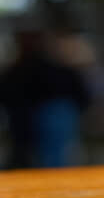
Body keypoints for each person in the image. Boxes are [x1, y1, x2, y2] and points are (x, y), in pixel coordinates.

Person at [0, 29, 91, 168]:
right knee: (52, 156)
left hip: (53, 113)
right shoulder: (31, 66)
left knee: (53, 156)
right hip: (44, 114)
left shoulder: (30, 66)